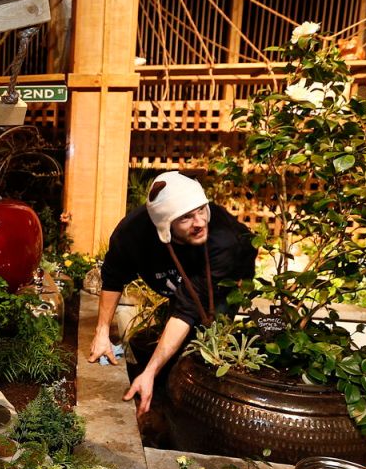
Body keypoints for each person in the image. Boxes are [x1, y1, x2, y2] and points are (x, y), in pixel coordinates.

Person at [88, 171, 256, 414]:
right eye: (186, 217)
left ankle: (197, 407)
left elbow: (186, 311)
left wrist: (150, 373)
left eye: (201, 210)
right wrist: (102, 332)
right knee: (176, 321)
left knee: (208, 337)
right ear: (165, 225)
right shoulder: (132, 235)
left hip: (227, 276)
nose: (199, 222)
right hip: (175, 273)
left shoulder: (224, 239)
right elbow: (113, 278)